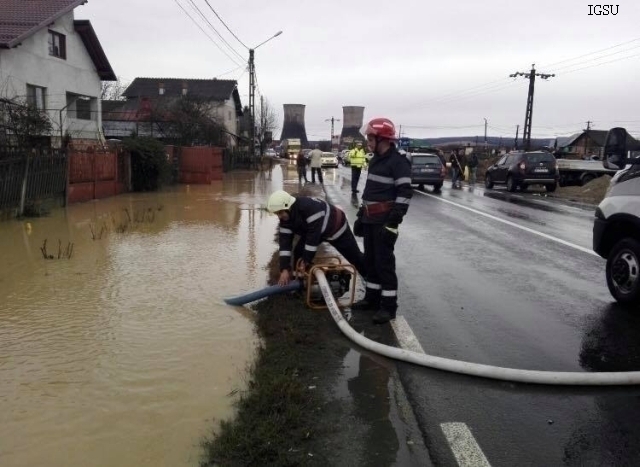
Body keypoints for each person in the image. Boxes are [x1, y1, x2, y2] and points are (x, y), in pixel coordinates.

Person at [351, 118, 412, 324]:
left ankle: (388, 307)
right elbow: (370, 192)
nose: (367, 142)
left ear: (382, 139)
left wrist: (392, 223)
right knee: (370, 262)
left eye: (370, 138)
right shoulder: (376, 159)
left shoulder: (398, 161)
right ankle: (372, 299)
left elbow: (404, 194)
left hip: (385, 221)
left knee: (384, 264)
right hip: (370, 219)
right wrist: (361, 216)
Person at [266, 190, 366, 286]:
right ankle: (299, 284)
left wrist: (306, 261)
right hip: (316, 230)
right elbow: (284, 246)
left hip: (337, 228)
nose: (279, 216)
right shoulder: (286, 219)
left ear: (288, 207)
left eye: (280, 213)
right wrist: (284, 269)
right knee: (298, 253)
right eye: (277, 214)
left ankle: (372, 281)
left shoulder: (309, 209)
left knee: (355, 257)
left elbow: (311, 242)